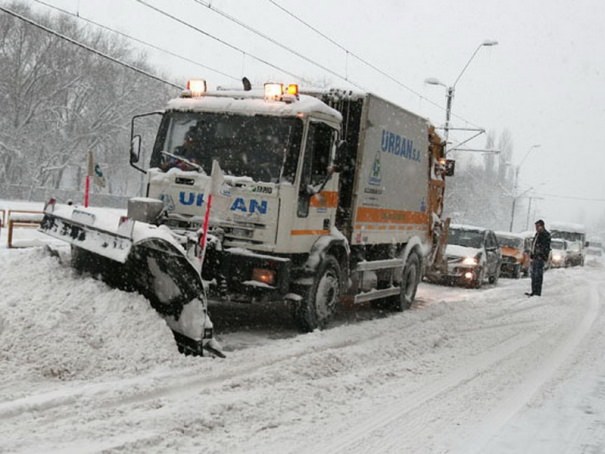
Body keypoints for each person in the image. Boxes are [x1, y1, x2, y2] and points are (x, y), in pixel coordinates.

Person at [525, 219, 551, 297]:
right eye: (535, 226)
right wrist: (532, 254)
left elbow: (545, 247)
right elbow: (534, 245)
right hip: (535, 257)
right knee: (533, 275)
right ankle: (534, 291)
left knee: (538, 275)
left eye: (537, 226)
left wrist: (541, 253)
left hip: (540, 258)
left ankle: (537, 292)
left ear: (542, 226)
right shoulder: (537, 234)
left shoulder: (545, 235)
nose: (536, 228)